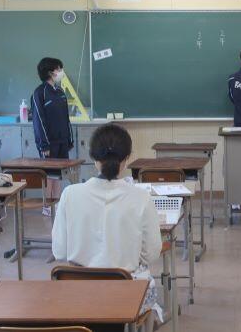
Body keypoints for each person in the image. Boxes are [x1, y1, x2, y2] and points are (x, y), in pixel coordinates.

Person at [52, 124, 162, 328]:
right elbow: (152, 253)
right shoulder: (141, 198)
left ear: (93, 158)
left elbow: (59, 252)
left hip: (78, 297)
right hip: (125, 299)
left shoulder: (70, 195)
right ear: (127, 158)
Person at [31, 57, 74, 212]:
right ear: (50, 72)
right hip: (49, 144)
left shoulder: (60, 92)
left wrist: (69, 139)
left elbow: (66, 118)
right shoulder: (39, 93)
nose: (61, 72)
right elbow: (38, 121)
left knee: (59, 175)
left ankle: (56, 204)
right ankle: (47, 206)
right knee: (49, 176)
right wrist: (44, 145)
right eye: (59, 69)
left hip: (62, 141)